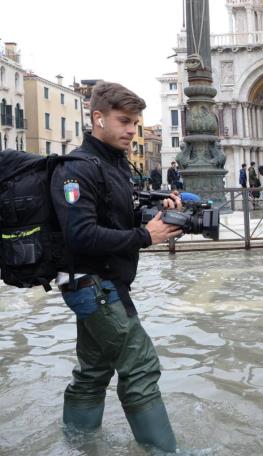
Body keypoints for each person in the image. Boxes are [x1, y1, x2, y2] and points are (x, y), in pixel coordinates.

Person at [51, 82, 182, 452]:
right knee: (140, 366)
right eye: (124, 121)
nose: (132, 130)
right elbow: (80, 235)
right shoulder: (76, 169)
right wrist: (145, 236)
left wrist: (155, 216)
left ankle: (76, 445)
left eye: (135, 123)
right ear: (98, 118)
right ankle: (163, 452)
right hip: (92, 284)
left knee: (93, 372)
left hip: (101, 284)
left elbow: (115, 219)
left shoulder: (114, 165)